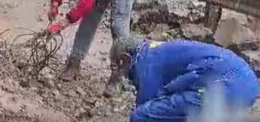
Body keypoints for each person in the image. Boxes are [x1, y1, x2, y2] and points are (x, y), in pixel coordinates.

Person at [109, 35, 259, 121]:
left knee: (141, 116)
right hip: (246, 84)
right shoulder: (156, 49)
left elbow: (147, 104)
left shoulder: (144, 61)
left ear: (125, 58)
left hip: (225, 87)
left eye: (117, 68)